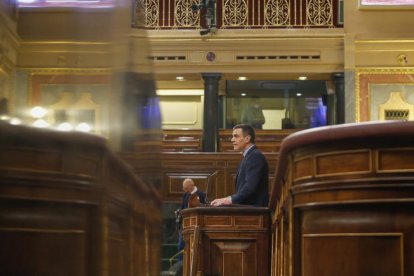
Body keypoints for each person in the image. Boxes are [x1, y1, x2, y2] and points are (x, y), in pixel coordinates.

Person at [210, 124, 269, 207]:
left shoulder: (255, 156)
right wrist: (225, 199)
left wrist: (227, 200)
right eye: (232, 136)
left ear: (247, 138)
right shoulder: (248, 156)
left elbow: (250, 188)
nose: (232, 140)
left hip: (254, 212)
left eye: (236, 136)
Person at [177, 178, 206, 252]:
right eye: (183, 188)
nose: (184, 189)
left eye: (186, 188)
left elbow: (202, 209)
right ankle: (181, 262)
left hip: (194, 225)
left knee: (191, 246)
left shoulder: (201, 195)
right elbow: (182, 207)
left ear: (192, 185)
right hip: (184, 224)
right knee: (181, 245)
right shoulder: (185, 194)